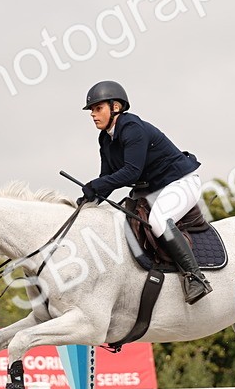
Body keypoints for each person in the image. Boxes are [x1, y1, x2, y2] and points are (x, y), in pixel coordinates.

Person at [79, 80, 212, 304]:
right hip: (153, 190)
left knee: (158, 221)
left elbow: (131, 172)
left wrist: (96, 185)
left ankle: (196, 277)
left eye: (98, 108)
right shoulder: (105, 138)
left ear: (115, 107)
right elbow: (106, 178)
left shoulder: (132, 128)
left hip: (180, 183)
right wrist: (88, 201)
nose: (93, 114)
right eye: (91, 110)